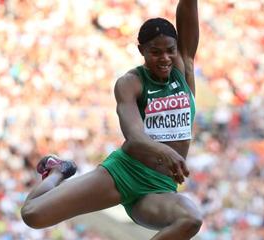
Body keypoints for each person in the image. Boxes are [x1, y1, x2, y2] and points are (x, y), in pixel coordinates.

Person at [21, 0, 202, 239]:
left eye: (170, 50)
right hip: (123, 174)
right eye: (155, 52)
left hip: (158, 189)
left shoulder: (183, 70)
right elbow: (135, 137)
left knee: (191, 220)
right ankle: (58, 172)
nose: (165, 58)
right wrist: (164, 152)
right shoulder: (131, 83)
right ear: (142, 51)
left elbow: (188, 6)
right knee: (33, 215)